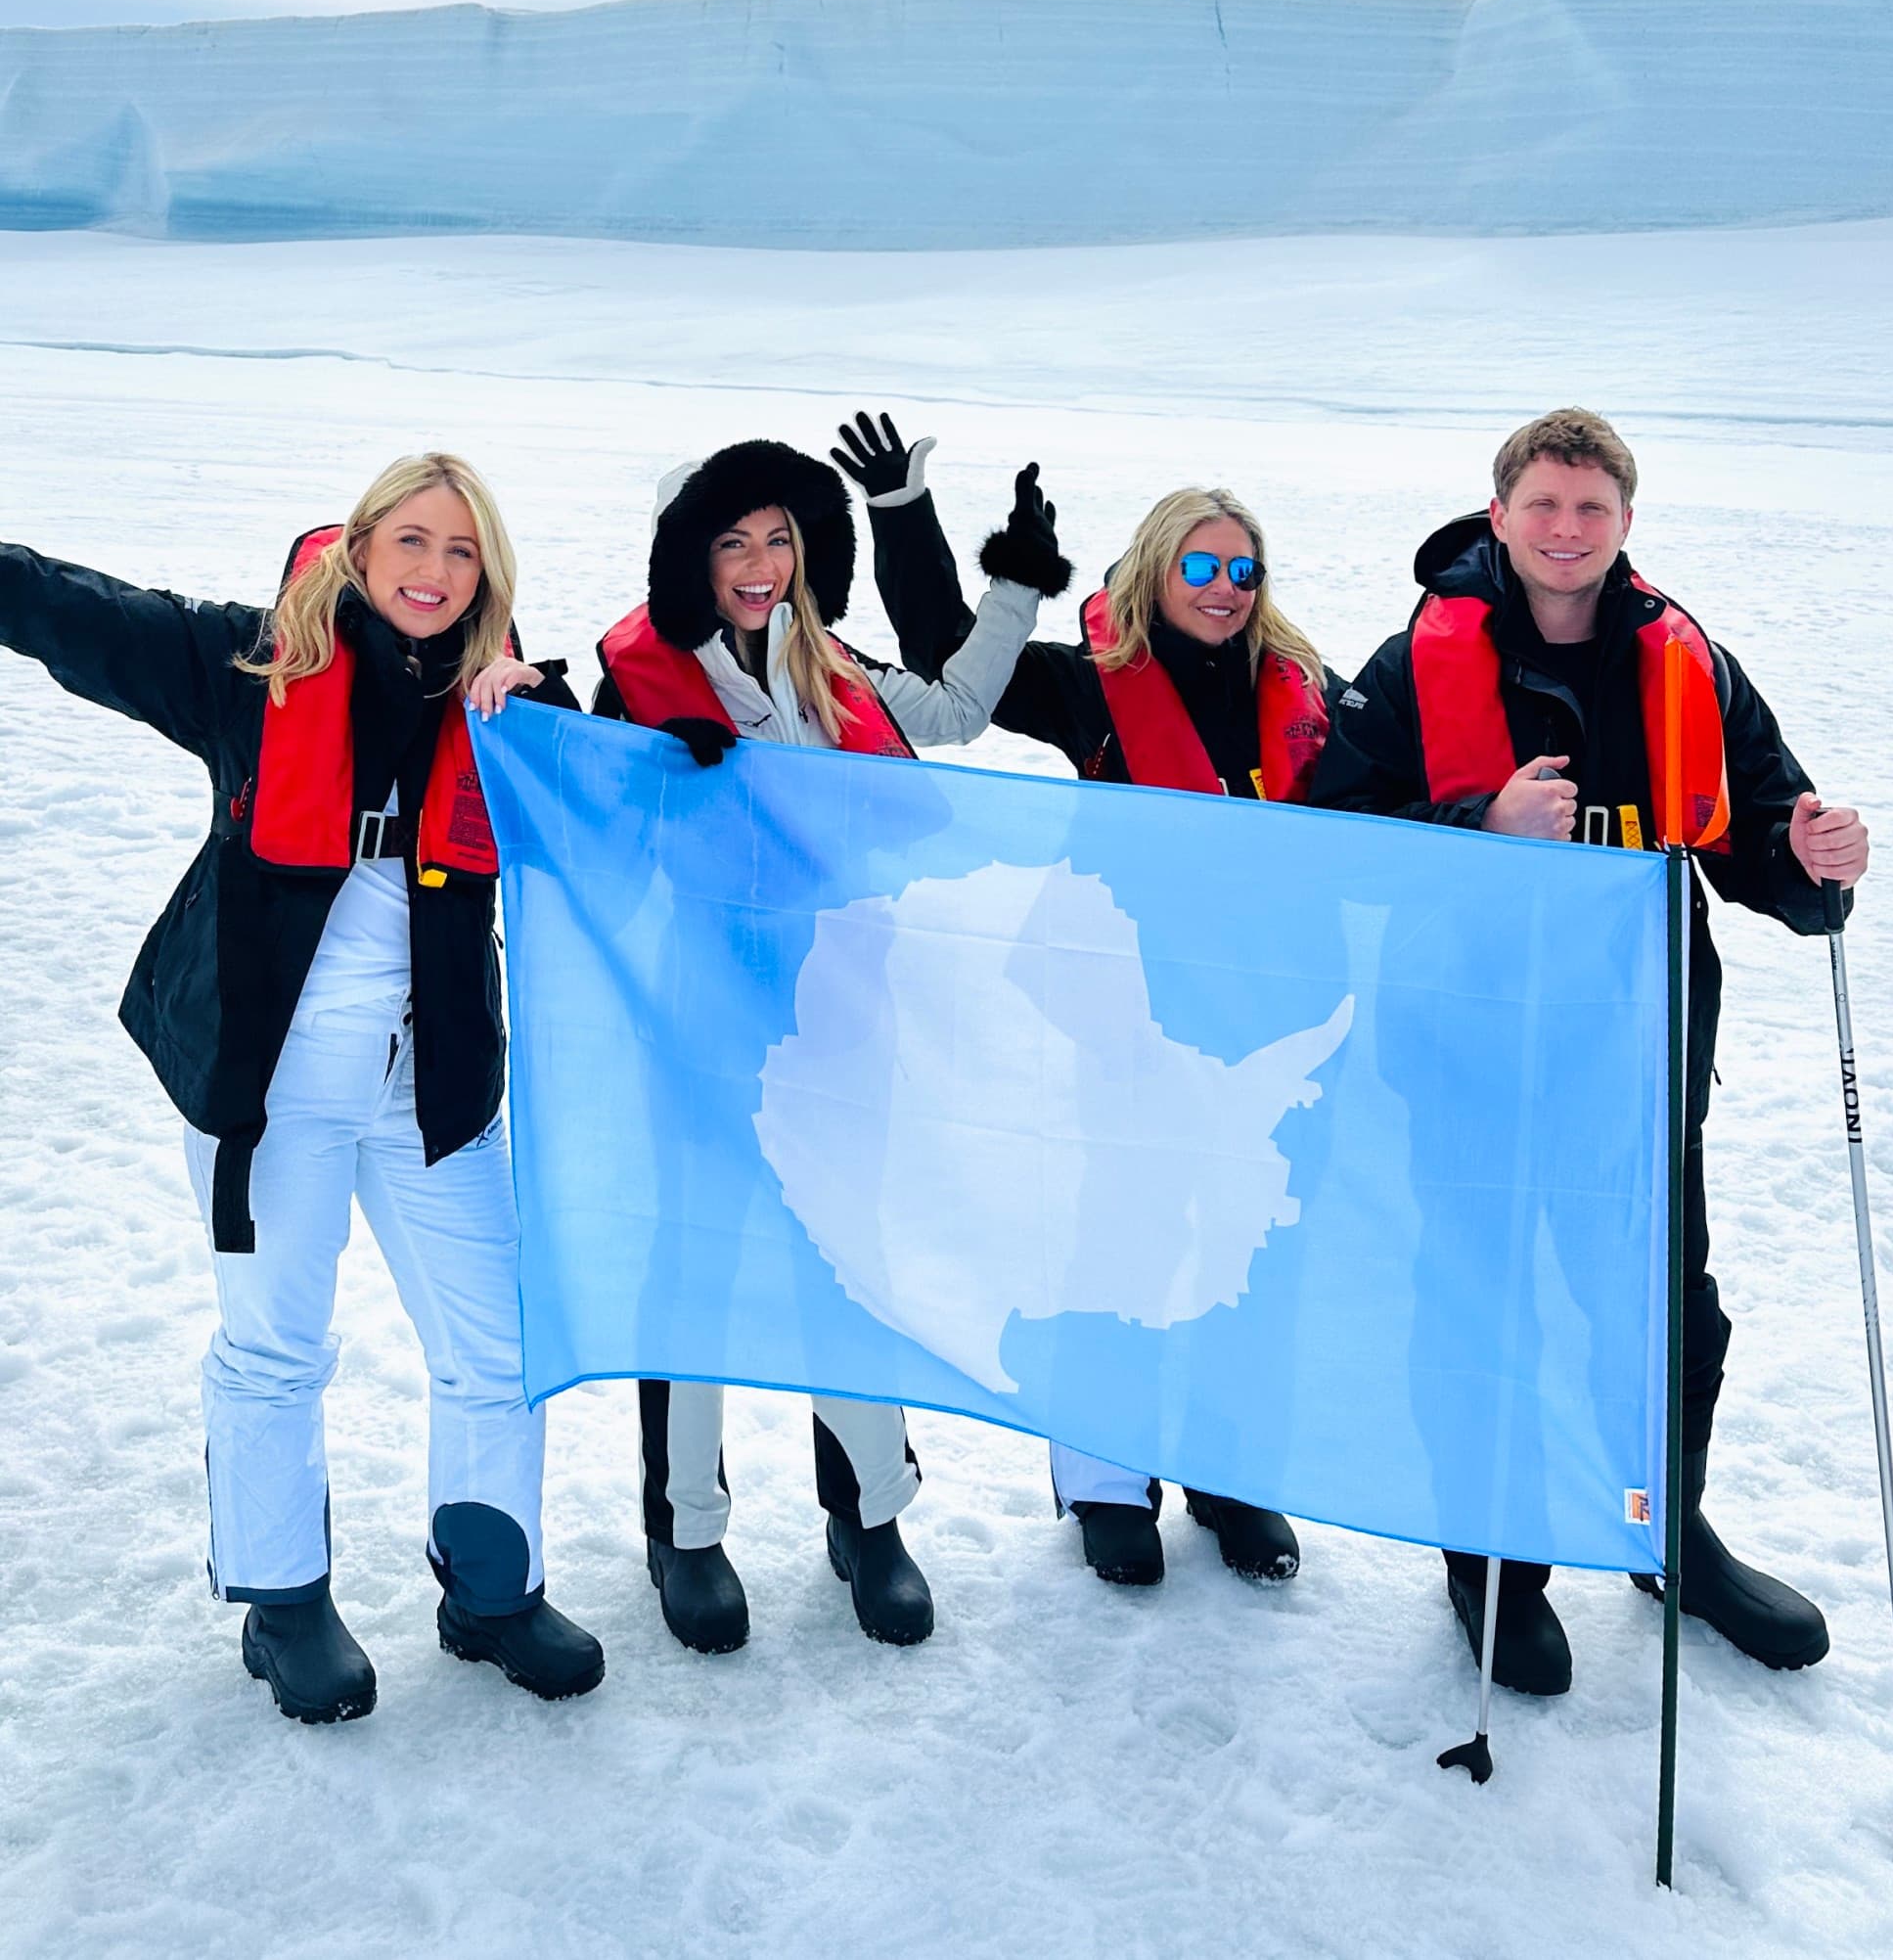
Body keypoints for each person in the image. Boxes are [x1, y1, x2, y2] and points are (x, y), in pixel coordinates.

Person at [0, 454, 606, 1725]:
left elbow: (630, 795)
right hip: (271, 1091)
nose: (435, 572)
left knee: (499, 1343)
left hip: (427, 1089)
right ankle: (284, 1604)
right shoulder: (247, 664)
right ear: (362, 545)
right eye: (414, 541)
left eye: (462, 552)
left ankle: (489, 1591)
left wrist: (552, 716)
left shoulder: (504, 710)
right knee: (276, 1348)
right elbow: (75, 612)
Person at [1308, 405, 1870, 1695]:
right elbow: (1331, 835)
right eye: (1544, 507)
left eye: (1592, 510)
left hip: (1640, 1054)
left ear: (1625, 525)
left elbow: (1763, 826)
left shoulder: (1691, 662)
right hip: (1470, 1058)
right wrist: (1476, 823)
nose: (1567, 532)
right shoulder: (1411, 668)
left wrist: (1815, 861)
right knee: (1482, 1309)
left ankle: (1663, 1527)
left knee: (1669, 1315)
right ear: (1499, 515)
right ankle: (1492, 1558)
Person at [592, 433, 1075, 1658]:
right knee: (699, 1270)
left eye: (778, 539)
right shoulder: (635, 682)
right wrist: (653, 784)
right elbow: (590, 835)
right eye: (729, 543)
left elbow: (960, 710)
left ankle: (868, 1516)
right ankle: (686, 1528)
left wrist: (1011, 579)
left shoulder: (833, 666)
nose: (758, 565)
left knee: (852, 1261)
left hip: (847, 1024)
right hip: (698, 1029)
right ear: (683, 558)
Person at [835, 410, 1334, 1593]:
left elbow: (1406, 796)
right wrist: (906, 515)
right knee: (1120, 1230)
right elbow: (949, 646)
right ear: (1154, 570)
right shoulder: (1091, 686)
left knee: (1244, 1240)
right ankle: (1108, 1476)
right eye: (1199, 564)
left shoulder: (1312, 690)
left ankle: (1229, 1466)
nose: (1221, 586)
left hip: (1270, 1009)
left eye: (1240, 567)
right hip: (1125, 1006)